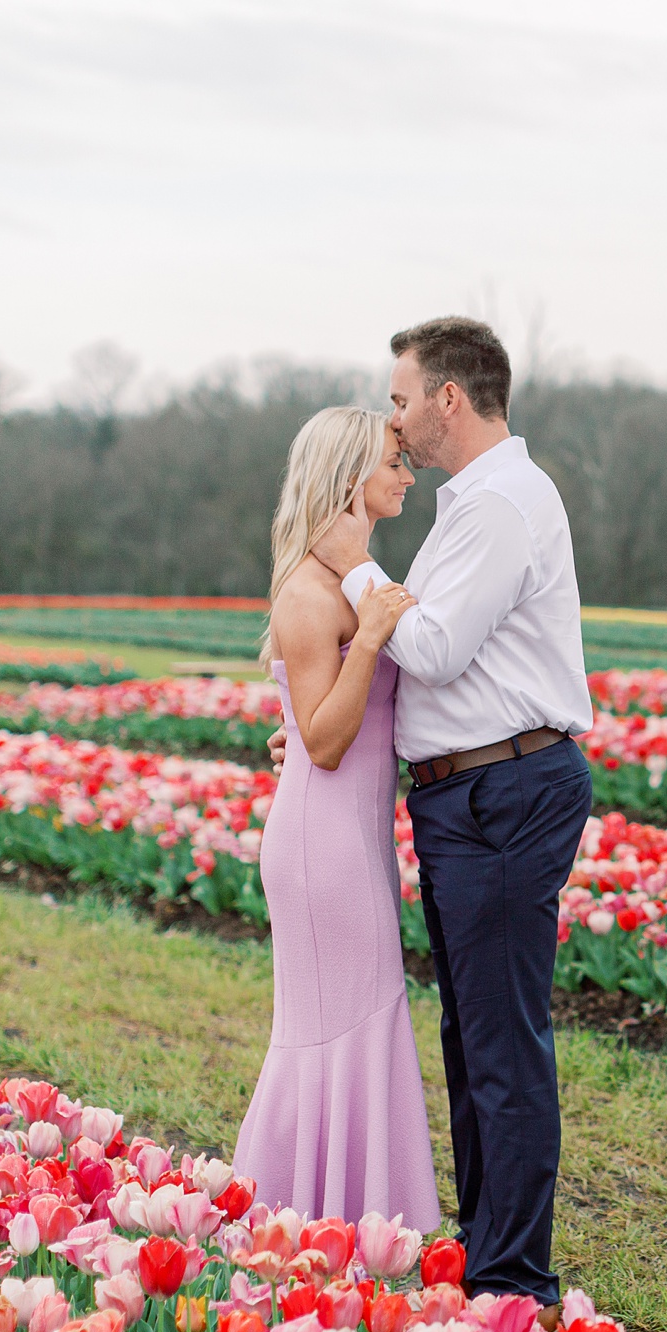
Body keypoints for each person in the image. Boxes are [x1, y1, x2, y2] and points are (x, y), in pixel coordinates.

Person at [275, 316, 592, 1326]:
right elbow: (407, 656)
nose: (399, 421)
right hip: (464, 792)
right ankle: (488, 1245)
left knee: (501, 1037)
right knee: (474, 1035)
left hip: (504, 786)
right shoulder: (471, 504)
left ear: (448, 397)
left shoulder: (503, 503)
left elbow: (441, 645)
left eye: (405, 397)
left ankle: (514, 1276)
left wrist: (353, 566)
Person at [233, 404, 440, 1234]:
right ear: (349, 472)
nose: (406, 471)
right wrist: (376, 635)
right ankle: (293, 1212)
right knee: (332, 1025)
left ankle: (342, 1217)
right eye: (393, 459)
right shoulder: (312, 595)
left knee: (363, 1017)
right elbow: (322, 743)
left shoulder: (345, 579)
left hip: (354, 837)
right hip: (322, 842)